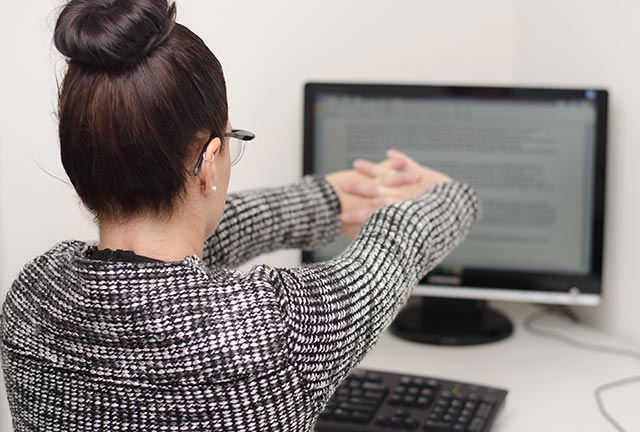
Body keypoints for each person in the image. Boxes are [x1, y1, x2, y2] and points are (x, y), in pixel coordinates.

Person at [0, 0, 479, 431]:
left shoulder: (30, 298)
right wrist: (448, 191)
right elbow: (393, 252)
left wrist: (324, 201)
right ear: (209, 161)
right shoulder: (272, 328)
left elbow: (166, 263)